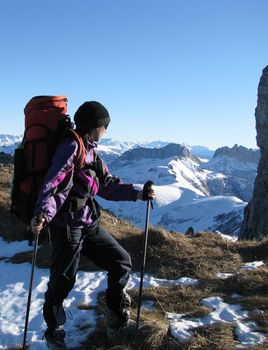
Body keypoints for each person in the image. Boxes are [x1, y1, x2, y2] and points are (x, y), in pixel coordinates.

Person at [30, 101, 155, 346]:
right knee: (63, 281)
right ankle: (55, 333)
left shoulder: (90, 151)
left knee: (121, 261)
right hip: (67, 226)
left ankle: (117, 320)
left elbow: (107, 184)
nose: (106, 131)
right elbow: (52, 183)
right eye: (105, 126)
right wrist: (42, 214)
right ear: (95, 126)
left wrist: (139, 193)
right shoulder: (71, 147)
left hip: (88, 222)